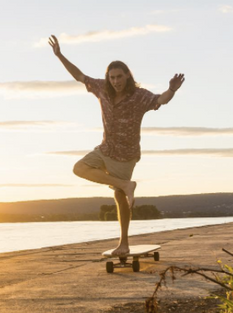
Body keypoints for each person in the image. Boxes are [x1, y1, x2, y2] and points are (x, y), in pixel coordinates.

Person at [48, 35, 185, 256]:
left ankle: (123, 243)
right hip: (105, 148)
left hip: (125, 155)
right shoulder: (102, 88)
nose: (115, 81)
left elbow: (161, 100)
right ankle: (125, 185)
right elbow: (79, 76)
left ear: (128, 76)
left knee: (119, 198)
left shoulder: (139, 96)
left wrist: (172, 90)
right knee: (79, 168)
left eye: (119, 77)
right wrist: (60, 55)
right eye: (111, 77)